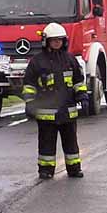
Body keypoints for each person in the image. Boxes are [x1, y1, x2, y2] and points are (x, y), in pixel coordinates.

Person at [21, 22, 89, 180]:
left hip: (68, 111)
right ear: (46, 41)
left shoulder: (70, 60)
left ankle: (74, 169)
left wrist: (83, 97)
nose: (57, 42)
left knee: (71, 143)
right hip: (46, 113)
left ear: (64, 41)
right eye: (54, 40)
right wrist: (29, 103)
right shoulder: (37, 62)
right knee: (46, 144)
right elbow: (29, 84)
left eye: (60, 40)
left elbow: (78, 81)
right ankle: (45, 170)